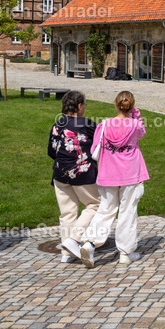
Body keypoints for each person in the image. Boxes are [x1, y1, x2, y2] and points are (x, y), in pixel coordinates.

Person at [78, 91, 149, 267]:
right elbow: (142, 132)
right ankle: (125, 252)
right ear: (131, 107)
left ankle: (90, 242)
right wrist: (136, 114)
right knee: (127, 212)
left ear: (115, 105)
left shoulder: (104, 125)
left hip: (108, 174)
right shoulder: (135, 126)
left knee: (105, 209)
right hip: (130, 174)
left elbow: (95, 147)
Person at [48, 91, 101, 264]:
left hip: (60, 174)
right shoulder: (87, 124)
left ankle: (66, 253)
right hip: (82, 173)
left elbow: (51, 151)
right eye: (84, 105)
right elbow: (99, 146)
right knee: (95, 205)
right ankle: (74, 239)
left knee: (67, 212)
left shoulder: (58, 124)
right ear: (79, 106)